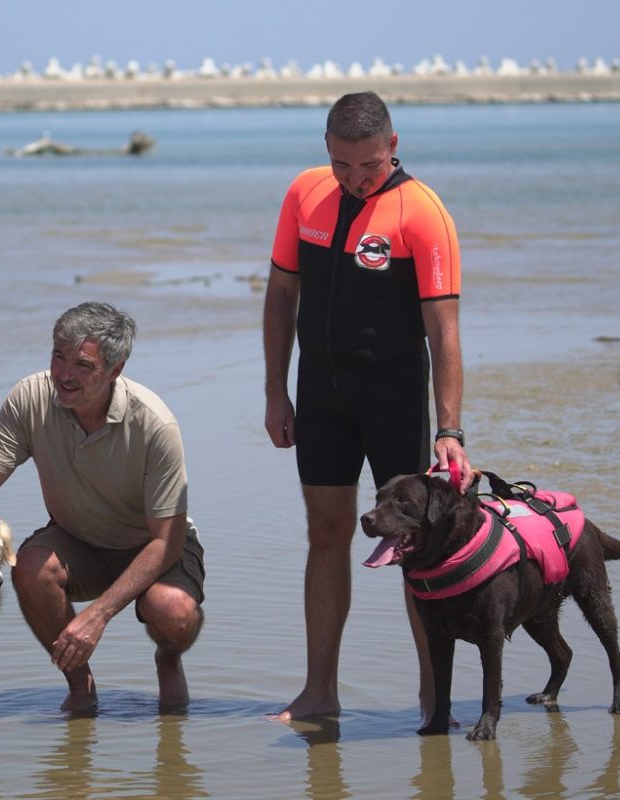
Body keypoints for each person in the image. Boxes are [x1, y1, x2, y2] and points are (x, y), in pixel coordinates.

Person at [262, 91, 472, 723]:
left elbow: (445, 331)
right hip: (321, 396)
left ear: (394, 147)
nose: (354, 180)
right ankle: (320, 691)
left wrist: (450, 429)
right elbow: (280, 295)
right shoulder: (304, 193)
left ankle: (435, 697)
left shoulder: (422, 211)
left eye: (370, 168)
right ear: (327, 149)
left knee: (418, 547)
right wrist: (277, 388)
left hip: (395, 400)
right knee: (324, 534)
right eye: (343, 166)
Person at [0, 301, 205, 713]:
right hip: (77, 540)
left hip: (153, 546)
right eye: (58, 357)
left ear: (116, 370)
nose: (64, 375)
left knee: (172, 611)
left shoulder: (155, 425)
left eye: (83, 365)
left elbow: (166, 542)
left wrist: (98, 615)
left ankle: (167, 657)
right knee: (28, 566)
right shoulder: (31, 397)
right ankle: (80, 686)